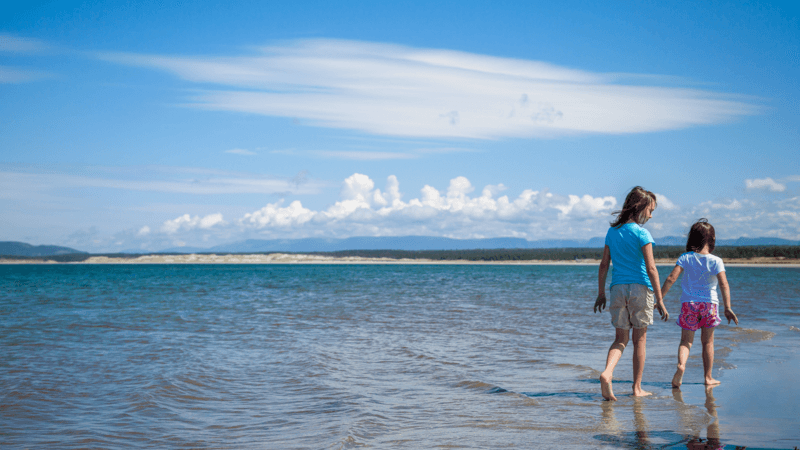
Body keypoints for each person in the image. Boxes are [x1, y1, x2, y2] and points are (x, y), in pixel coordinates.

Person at [594, 186, 669, 401]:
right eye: (650, 210)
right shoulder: (642, 233)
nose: (651, 215)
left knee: (620, 339)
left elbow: (603, 265)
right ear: (640, 208)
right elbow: (652, 268)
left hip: (617, 288)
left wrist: (601, 293)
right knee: (640, 340)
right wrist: (660, 299)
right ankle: (637, 388)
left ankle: (607, 373)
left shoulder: (612, 232)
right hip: (640, 288)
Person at [660, 219, 738, 388]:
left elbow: (671, 278)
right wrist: (728, 307)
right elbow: (724, 284)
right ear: (713, 240)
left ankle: (681, 365)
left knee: (686, 342)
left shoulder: (685, 258)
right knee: (708, 342)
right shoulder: (716, 261)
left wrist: (659, 299)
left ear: (692, 239)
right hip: (710, 305)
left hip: (689, 304)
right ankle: (708, 377)